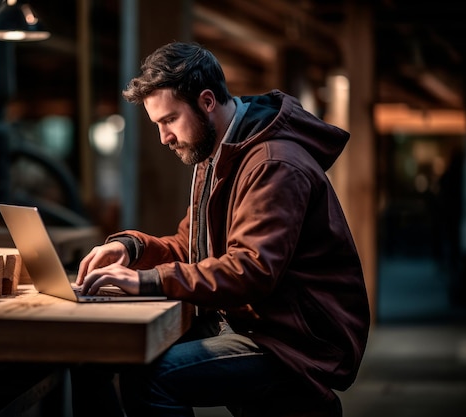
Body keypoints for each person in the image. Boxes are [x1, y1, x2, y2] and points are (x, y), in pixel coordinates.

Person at [73, 41, 371, 417]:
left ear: (207, 101)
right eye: (157, 124)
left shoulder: (273, 163)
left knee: (152, 378)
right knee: (97, 357)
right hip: (246, 320)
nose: (164, 136)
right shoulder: (217, 153)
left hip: (289, 339)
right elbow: (191, 245)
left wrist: (148, 281)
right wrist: (131, 249)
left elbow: (251, 269)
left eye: (169, 120)